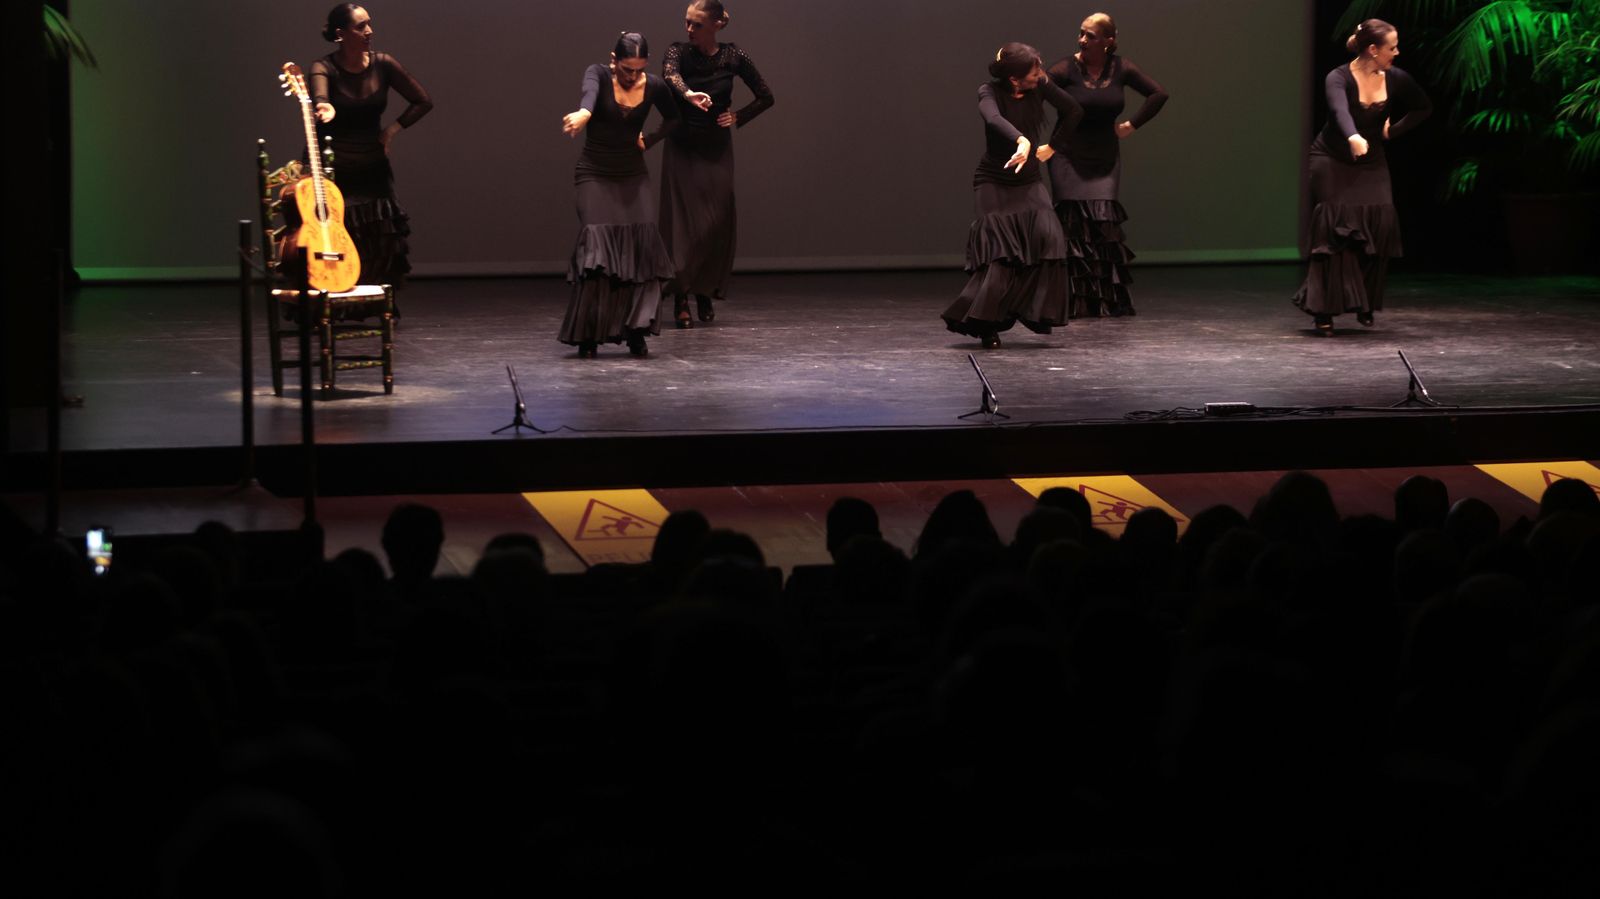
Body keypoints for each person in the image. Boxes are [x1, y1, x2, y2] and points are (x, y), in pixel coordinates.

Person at [1293, 18, 1430, 335]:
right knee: (1334, 229)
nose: (1397, 52)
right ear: (1373, 49)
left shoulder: (1396, 78)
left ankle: (1363, 299)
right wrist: (1353, 136)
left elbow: (1423, 107)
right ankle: (1323, 310)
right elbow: (1339, 109)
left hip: (1372, 160)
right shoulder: (1338, 77)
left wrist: (1392, 131)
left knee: (1379, 222)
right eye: (1392, 47)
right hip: (1330, 158)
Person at [942, 43, 1083, 349]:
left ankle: (1028, 309)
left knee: (1049, 238)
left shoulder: (1040, 86)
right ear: (1015, 80)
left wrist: (1052, 146)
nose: (1040, 76)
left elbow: (1073, 110)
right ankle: (987, 326)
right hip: (993, 179)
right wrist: (1021, 140)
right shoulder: (989, 92)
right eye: (1034, 72)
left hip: (1028, 179)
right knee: (1000, 255)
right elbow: (993, 118)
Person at [559, 33, 680, 358]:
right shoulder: (597, 73)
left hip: (632, 174)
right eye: (627, 69)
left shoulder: (653, 85)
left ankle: (636, 332)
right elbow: (589, 95)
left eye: (638, 70)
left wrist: (649, 140)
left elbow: (674, 117)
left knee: (641, 249)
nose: (632, 76)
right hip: (595, 172)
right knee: (598, 250)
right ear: (614, 60)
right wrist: (585, 113)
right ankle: (589, 333)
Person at [659, 1, 774, 328]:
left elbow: (766, 96)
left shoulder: (734, 57)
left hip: (716, 148)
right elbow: (669, 75)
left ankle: (704, 290)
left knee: (714, 223)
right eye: (687, 23)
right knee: (683, 226)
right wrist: (689, 94)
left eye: (696, 24)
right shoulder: (677, 52)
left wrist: (738, 116)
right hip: (682, 146)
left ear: (716, 25)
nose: (689, 29)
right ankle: (682, 296)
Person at [310, 4, 432, 310]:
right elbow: (321, 96)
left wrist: (390, 131)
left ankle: (371, 305)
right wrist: (324, 107)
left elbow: (422, 101)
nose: (369, 32)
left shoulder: (383, 64)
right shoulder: (323, 67)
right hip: (334, 167)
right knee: (336, 234)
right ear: (340, 34)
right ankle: (332, 302)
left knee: (378, 238)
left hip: (372, 166)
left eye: (369, 25)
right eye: (360, 27)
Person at [1046, 12, 1168, 318]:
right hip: (1068, 156)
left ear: (1109, 41)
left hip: (1105, 156)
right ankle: (1070, 301)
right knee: (1073, 225)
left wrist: (1131, 125)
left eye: (1090, 35)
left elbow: (1158, 94)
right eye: (1081, 33)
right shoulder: (1065, 68)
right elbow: (1038, 89)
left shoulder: (1121, 67)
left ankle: (1104, 300)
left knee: (1103, 226)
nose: (1082, 40)